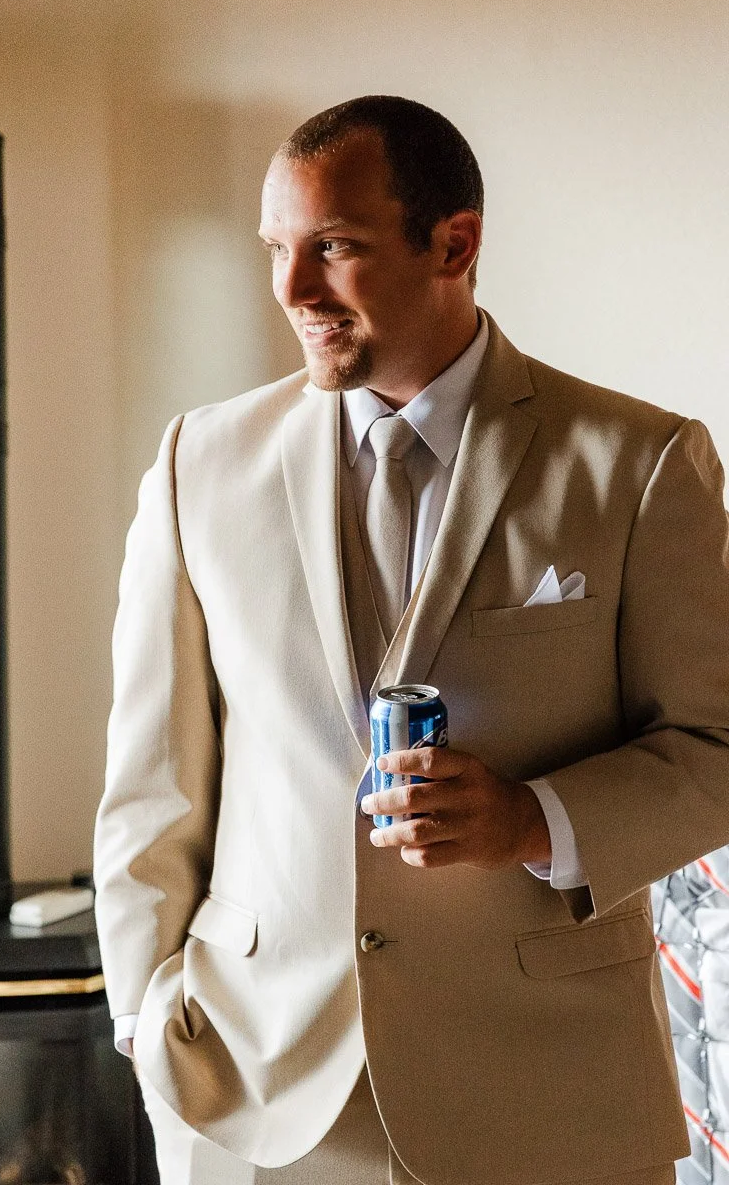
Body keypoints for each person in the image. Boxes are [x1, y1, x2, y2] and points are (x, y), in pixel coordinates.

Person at [93, 95, 729, 1185]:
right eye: (278, 250)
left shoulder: (641, 463)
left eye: (332, 248)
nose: (292, 291)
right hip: (253, 1092)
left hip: (545, 1091)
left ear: (455, 243)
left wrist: (534, 821)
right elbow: (152, 780)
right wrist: (147, 1021)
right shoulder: (200, 462)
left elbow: (713, 748)